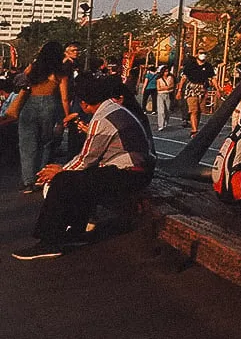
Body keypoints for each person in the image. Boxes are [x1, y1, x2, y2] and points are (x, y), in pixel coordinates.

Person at [11, 73, 155, 260]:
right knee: (81, 179)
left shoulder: (103, 118)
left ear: (85, 103)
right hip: (136, 170)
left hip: (131, 174)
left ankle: (48, 241)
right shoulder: (112, 110)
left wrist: (60, 171)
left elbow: (87, 158)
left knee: (64, 181)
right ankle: (76, 232)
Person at [16, 41, 72, 194]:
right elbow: (64, 98)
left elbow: (20, 80)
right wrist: (66, 117)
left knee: (27, 143)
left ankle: (28, 181)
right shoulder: (60, 72)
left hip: (30, 104)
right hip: (50, 105)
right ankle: (41, 177)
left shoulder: (34, 68)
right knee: (45, 142)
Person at [177, 53, 215, 137]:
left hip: (202, 89)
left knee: (199, 111)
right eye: (201, 53)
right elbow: (183, 78)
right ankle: (194, 130)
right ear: (197, 55)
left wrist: (218, 89)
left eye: (204, 53)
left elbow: (212, 78)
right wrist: (179, 90)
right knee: (193, 110)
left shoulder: (208, 66)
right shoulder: (190, 65)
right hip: (192, 88)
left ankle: (195, 127)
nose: (203, 55)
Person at [154, 64, 174, 131]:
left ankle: (166, 122)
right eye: (165, 71)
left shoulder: (170, 78)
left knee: (167, 110)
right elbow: (158, 88)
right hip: (160, 95)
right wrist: (167, 87)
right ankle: (160, 125)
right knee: (161, 110)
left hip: (168, 95)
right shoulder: (159, 79)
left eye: (167, 71)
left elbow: (172, 85)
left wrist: (165, 88)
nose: (166, 73)